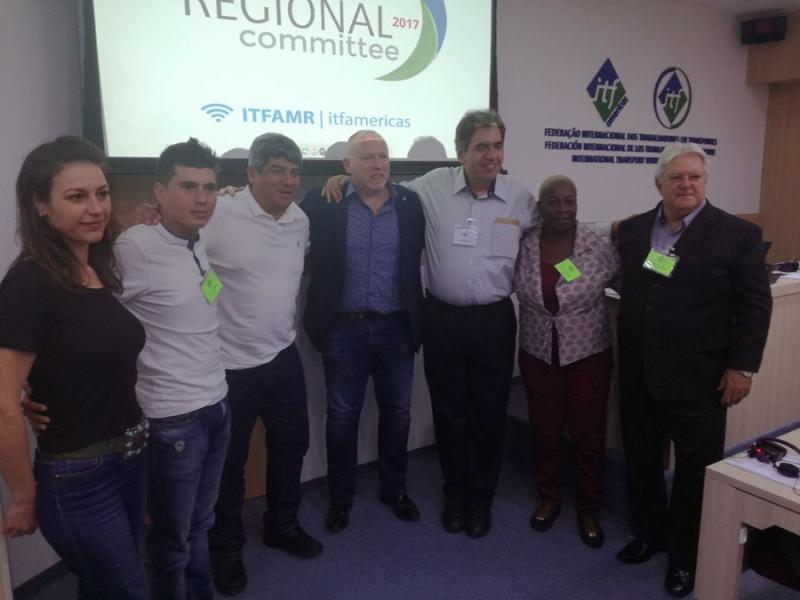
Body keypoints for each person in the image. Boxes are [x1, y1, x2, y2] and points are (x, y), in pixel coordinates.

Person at [323, 109, 536, 537]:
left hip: (495, 320)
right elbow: (376, 185)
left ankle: (481, 499)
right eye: (481, 147)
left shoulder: (520, 197)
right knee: (450, 413)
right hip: (442, 319)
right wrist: (339, 180)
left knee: (490, 415)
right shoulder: (429, 187)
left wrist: (618, 228)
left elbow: (557, 226)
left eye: (496, 146)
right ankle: (455, 495)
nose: (490, 155)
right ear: (461, 152)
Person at [615, 142, 772, 597]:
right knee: (641, 462)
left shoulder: (738, 235)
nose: (686, 185)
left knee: (693, 472)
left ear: (705, 182)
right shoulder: (633, 230)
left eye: (695, 177)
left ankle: (685, 557)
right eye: (676, 177)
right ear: (659, 183)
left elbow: (755, 307)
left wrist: (742, 367)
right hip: (640, 373)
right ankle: (648, 535)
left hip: (700, 379)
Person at [0, 135, 149, 598]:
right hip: (78, 477)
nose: (96, 208)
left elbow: (74, 357)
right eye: (76, 197)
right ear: (40, 205)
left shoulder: (95, 264)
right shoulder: (30, 281)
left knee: (104, 588)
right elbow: (2, 400)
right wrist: (23, 495)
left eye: (101, 194)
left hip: (131, 458)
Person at [206, 133, 322, 596]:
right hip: (228, 365)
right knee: (229, 465)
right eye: (276, 170)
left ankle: (282, 524)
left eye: (294, 172)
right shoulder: (219, 212)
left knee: (292, 445)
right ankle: (226, 547)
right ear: (251, 174)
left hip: (281, 355)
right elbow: (184, 258)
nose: (288, 180)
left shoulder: (299, 220)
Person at [116, 138, 231, 599]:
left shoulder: (198, 240)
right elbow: (92, 319)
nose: (202, 198)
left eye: (209, 187)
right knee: (171, 540)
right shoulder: (136, 246)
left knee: (201, 524)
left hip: (217, 404)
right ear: (159, 192)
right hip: (171, 419)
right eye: (188, 186)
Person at [303, 130, 426, 533]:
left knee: (397, 413)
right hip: (343, 329)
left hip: (396, 328)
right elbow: (275, 216)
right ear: (346, 166)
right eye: (367, 157)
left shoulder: (410, 204)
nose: (378, 164)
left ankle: (395, 488)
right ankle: (341, 497)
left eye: (383, 156)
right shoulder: (325, 203)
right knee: (341, 417)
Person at [515, 175, 618, 549]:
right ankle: (549, 497)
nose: (563, 209)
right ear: (540, 207)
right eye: (554, 202)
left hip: (587, 352)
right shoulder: (524, 244)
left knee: (588, 434)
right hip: (537, 351)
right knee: (544, 429)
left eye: (569, 201)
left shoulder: (597, 245)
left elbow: (632, 279)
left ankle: (589, 507)